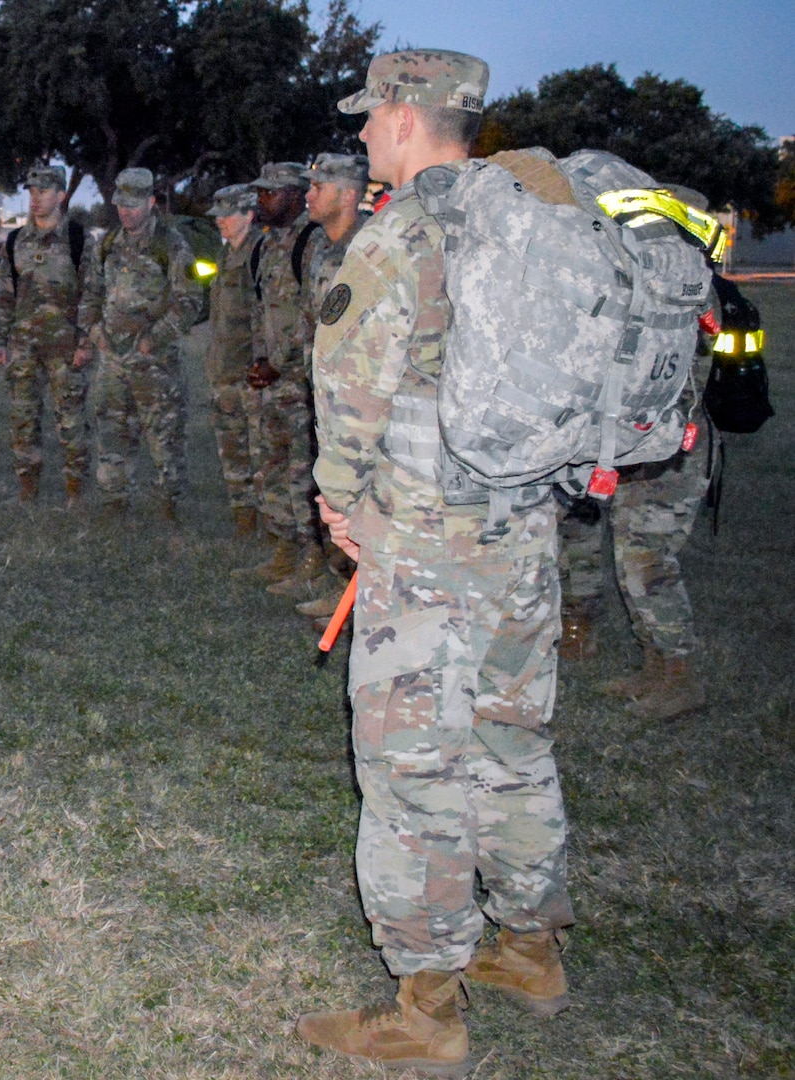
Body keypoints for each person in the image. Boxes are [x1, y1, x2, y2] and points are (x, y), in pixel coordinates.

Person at [298, 50, 574, 1076]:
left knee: (412, 767)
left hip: (423, 550)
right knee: (512, 741)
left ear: (408, 118)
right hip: (523, 536)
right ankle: (533, 950)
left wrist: (339, 503)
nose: (364, 135)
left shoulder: (400, 234)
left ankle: (426, 1009)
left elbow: (350, 392)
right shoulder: (528, 221)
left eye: (372, 119)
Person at [557, 187, 715, 719]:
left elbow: (682, 383)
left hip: (671, 450)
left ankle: (679, 674)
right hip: (639, 444)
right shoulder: (662, 281)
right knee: (629, 556)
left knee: (647, 563)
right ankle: (655, 666)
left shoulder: (690, 290)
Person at [75, 168, 202, 520]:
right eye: (121, 205)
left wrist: (154, 338)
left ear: (151, 202)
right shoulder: (108, 245)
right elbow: (90, 295)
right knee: (112, 434)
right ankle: (114, 505)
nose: (126, 211)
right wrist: (95, 332)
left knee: (165, 439)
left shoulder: (171, 244)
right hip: (112, 359)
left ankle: (171, 509)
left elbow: (190, 301)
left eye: (133, 205)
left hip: (155, 364)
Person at [294, 152, 372, 621]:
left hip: (363, 403)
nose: (309, 194)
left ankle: (365, 596)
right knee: (332, 495)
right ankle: (339, 583)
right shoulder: (318, 249)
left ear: (346, 194)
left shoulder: (373, 248)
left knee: (362, 499)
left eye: (319, 187)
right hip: (324, 398)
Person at [247, 161, 329, 593]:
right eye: (260, 193)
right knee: (273, 468)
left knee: (305, 474)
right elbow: (262, 310)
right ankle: (285, 548)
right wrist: (261, 358)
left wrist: (283, 363)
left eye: (270, 193)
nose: (262, 201)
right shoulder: (266, 246)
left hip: (302, 383)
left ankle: (314, 558)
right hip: (273, 383)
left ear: (296, 196)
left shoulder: (313, 244)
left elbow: (318, 316)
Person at [0, 165, 90, 506]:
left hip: (66, 349)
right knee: (23, 419)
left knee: (71, 422)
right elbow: (7, 293)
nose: (36, 199)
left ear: (61, 195)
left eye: (44, 191)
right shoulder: (16, 240)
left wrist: (86, 341)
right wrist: (0, 339)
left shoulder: (78, 239)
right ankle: (27, 491)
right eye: (32, 192)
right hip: (23, 347)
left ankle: (75, 493)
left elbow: (92, 294)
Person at [203, 183, 265, 537]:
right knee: (232, 453)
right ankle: (244, 523)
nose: (220, 222)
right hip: (223, 372)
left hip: (249, 375)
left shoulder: (261, 253)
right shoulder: (226, 255)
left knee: (261, 455)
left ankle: (274, 529)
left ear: (249, 215)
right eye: (218, 216)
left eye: (227, 215)